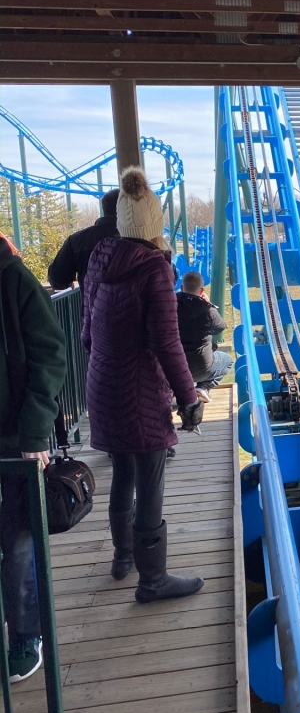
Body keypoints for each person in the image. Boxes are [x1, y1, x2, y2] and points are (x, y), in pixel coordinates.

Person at [82, 166, 204, 602]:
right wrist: (189, 398)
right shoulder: (155, 269)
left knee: (122, 471)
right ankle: (152, 581)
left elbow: (86, 334)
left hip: (102, 386)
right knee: (150, 479)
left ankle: (122, 557)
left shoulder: (101, 257)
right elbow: (167, 343)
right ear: (153, 223)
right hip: (139, 392)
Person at [0, 232, 67, 682]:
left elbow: (50, 354)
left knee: (20, 543)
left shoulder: (14, 279)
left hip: (15, 437)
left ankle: (27, 634)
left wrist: (35, 430)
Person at [47, 189, 120, 290]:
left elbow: (57, 280)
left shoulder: (77, 240)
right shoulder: (139, 239)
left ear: (104, 208)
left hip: (91, 304)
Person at [176, 271, 232, 402]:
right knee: (228, 361)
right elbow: (221, 327)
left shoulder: (170, 307)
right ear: (201, 291)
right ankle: (203, 387)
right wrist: (208, 303)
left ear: (182, 288)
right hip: (203, 367)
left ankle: (176, 389)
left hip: (175, 368)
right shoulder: (208, 311)